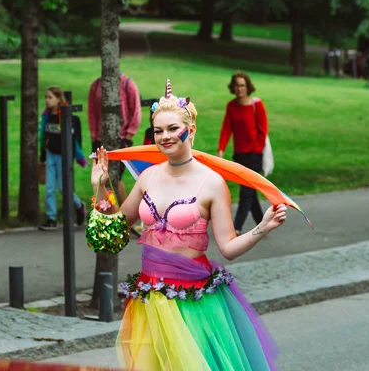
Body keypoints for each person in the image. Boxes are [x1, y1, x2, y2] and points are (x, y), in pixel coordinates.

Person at [90, 80, 285, 370]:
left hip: (195, 303)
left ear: (190, 130)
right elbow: (113, 236)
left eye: (172, 129)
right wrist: (100, 188)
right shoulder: (148, 177)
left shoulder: (212, 183)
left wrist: (262, 227)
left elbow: (228, 248)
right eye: (158, 130)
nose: (165, 137)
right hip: (150, 302)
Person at [217, 71, 269, 235]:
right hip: (239, 155)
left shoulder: (257, 104)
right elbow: (227, 128)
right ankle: (263, 224)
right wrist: (221, 149)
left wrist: (258, 148)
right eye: (236, 86)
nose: (239, 89)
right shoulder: (231, 106)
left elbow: (263, 129)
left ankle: (236, 227)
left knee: (246, 192)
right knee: (250, 193)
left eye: (242, 86)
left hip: (254, 155)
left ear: (248, 87)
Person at [39, 87, 87, 230]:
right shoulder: (46, 116)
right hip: (50, 155)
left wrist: (78, 156)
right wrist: (42, 155)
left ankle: (79, 206)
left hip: (64, 156)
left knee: (63, 188)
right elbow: (43, 136)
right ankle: (51, 218)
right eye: (46, 97)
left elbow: (75, 141)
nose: (47, 100)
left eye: (50, 97)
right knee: (49, 188)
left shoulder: (68, 117)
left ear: (59, 99)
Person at [87, 73, 141, 200]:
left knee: (116, 179)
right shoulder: (96, 86)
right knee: (101, 179)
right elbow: (92, 112)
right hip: (100, 141)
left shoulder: (127, 84)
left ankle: (124, 214)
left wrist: (129, 135)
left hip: (121, 139)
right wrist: (94, 136)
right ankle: (108, 214)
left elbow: (136, 110)